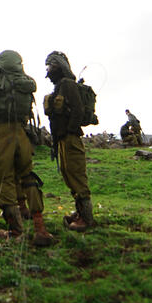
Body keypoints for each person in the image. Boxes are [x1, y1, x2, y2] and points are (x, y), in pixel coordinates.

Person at [0, 44, 53, 246]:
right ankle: (40, 228)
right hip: (21, 130)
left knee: (1, 178)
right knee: (27, 175)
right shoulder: (14, 71)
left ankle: (15, 232)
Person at [43, 51, 95, 233]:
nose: (48, 72)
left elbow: (78, 110)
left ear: (59, 67)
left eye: (50, 67)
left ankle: (86, 219)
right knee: (68, 174)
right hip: (63, 139)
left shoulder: (67, 85)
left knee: (76, 176)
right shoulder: (59, 86)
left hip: (70, 138)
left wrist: (70, 130)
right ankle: (80, 213)